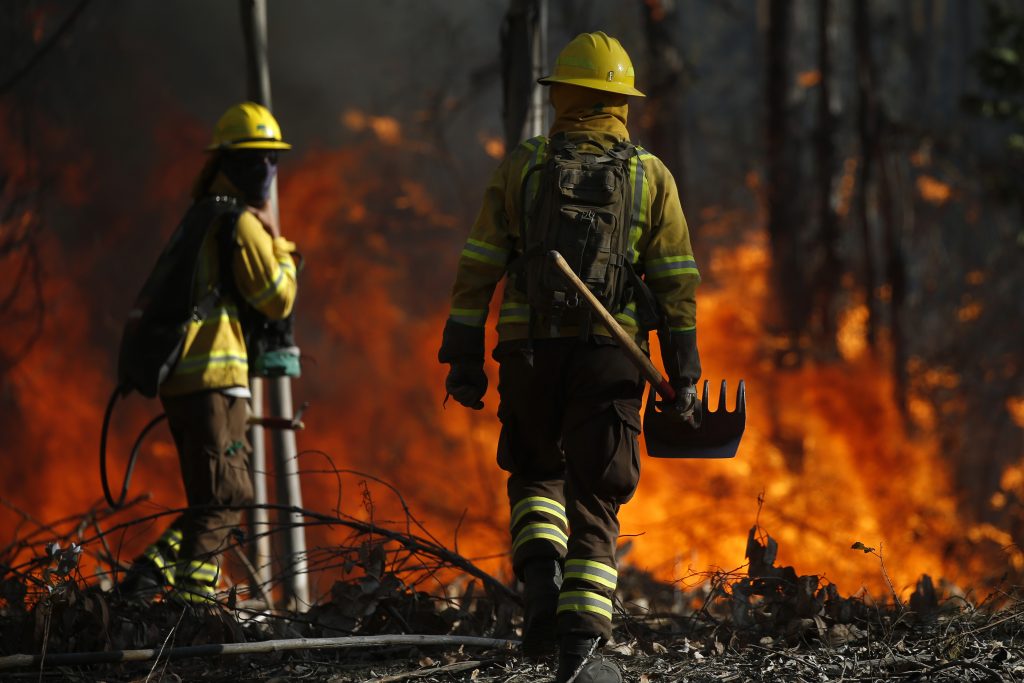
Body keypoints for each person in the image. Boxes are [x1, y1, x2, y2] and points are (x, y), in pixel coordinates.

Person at [438, 32, 701, 683]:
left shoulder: (524, 165)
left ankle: (540, 597)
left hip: (528, 352)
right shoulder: (649, 175)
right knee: (596, 496)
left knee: (534, 473)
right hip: (611, 359)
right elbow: (674, 281)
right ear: (619, 101)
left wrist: (464, 353)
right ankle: (580, 652)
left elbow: (478, 265)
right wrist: (685, 371)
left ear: (563, 97)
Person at [118, 102, 299, 604]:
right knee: (225, 497)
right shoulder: (237, 223)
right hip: (214, 379)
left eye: (272, 159)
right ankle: (193, 610)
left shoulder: (199, 218)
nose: (265, 170)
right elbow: (277, 297)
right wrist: (283, 249)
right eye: (253, 158)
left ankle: (150, 574)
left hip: (188, 382)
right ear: (225, 162)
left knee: (214, 497)